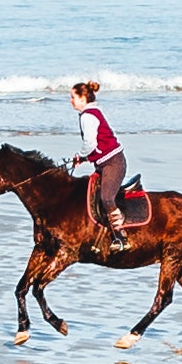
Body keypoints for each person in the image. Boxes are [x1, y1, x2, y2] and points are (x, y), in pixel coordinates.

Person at [67, 79, 136, 242]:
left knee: (106, 198)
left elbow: (91, 144)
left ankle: (120, 236)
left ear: (83, 98)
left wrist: (79, 155)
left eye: (72, 97)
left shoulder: (88, 116)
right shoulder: (91, 113)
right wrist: (84, 157)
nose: (71, 101)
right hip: (104, 163)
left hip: (113, 163)